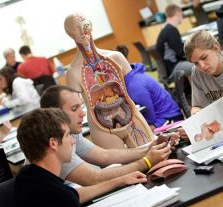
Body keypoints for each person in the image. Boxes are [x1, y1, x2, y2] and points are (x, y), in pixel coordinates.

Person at [39, 85, 171, 185]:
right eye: (74, 109)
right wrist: (146, 161)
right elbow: (93, 178)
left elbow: (104, 155)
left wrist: (147, 149)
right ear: (55, 114)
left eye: (81, 107)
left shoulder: (69, 132)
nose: (82, 114)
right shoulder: (55, 144)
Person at [15, 108, 147, 206]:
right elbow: (68, 198)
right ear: (53, 143)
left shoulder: (28, 175)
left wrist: (120, 181)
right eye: (67, 135)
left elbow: (73, 195)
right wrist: (145, 163)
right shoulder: (55, 195)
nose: (73, 141)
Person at [64, 13, 154, 149]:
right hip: (101, 127)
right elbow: (73, 106)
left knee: (152, 155)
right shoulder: (73, 73)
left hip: (131, 117)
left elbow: (134, 86)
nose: (83, 29)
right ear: (71, 34)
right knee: (120, 168)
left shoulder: (116, 57)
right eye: (77, 27)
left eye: (85, 23)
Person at [116, 45, 183, 130]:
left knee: (139, 132)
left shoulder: (134, 85)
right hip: (165, 117)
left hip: (170, 120)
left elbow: (150, 119)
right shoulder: (133, 76)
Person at [156, 4, 194, 78]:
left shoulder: (166, 29)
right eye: (181, 14)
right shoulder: (170, 30)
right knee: (200, 66)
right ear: (177, 14)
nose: (182, 17)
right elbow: (181, 52)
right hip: (173, 66)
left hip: (169, 66)